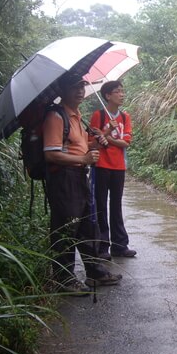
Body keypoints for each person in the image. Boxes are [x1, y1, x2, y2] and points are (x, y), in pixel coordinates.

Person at [43, 73, 122, 295]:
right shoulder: (56, 117)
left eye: (82, 86)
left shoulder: (76, 115)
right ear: (62, 91)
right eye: (74, 86)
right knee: (67, 228)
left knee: (88, 226)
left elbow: (81, 145)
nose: (80, 90)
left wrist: (97, 141)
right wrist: (83, 160)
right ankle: (64, 280)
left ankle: (95, 273)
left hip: (79, 176)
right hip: (64, 179)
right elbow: (51, 154)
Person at [89, 80, 136, 260]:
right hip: (101, 165)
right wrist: (107, 131)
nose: (121, 94)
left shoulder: (125, 117)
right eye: (117, 91)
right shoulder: (98, 116)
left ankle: (120, 245)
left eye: (122, 91)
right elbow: (93, 142)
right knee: (101, 205)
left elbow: (126, 143)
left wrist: (108, 139)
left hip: (118, 167)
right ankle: (102, 247)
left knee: (116, 205)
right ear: (108, 95)